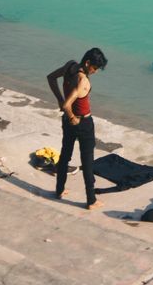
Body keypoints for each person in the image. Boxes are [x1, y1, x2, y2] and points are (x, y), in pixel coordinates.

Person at [46, 48, 107, 209]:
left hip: (67, 122)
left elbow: (51, 78)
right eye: (95, 68)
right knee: (87, 161)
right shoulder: (83, 81)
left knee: (65, 154)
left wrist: (60, 100)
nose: (95, 72)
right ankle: (91, 200)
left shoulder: (70, 66)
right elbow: (68, 105)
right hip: (82, 123)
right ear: (88, 63)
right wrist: (72, 116)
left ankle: (59, 190)